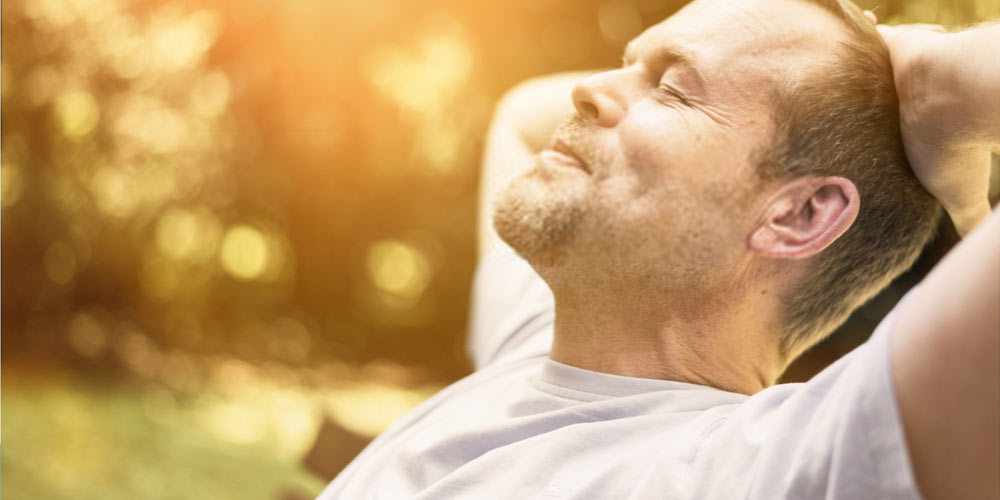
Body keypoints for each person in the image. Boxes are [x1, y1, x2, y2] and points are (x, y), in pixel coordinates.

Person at [317, 0, 999, 498]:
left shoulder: (744, 473)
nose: (587, 90)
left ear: (798, 213)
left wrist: (937, 79)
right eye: (627, 65)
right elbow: (522, 116)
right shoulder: (535, 352)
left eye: (671, 87)